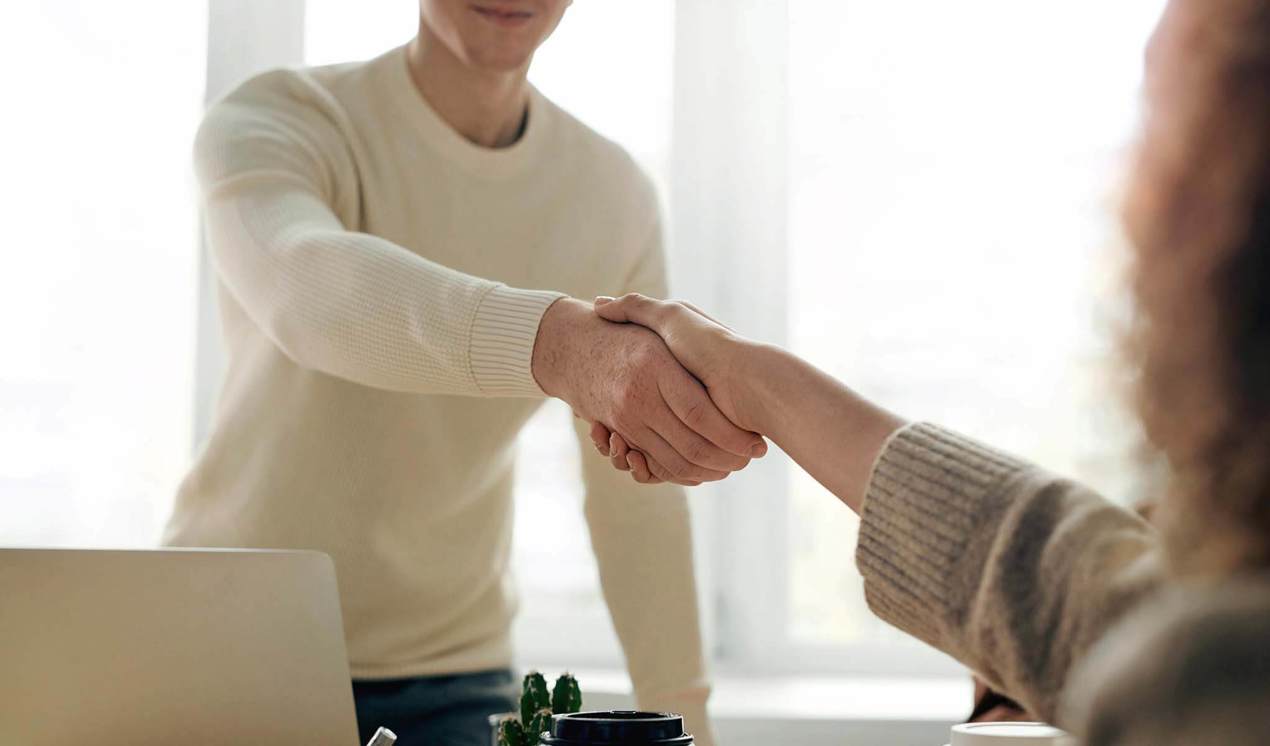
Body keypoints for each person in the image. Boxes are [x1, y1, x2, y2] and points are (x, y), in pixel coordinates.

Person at [588, 0, 1270, 741]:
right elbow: (1085, 597)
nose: (1127, 195)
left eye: (1162, 135)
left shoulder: (1212, 680)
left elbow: (1107, 620)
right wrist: (761, 385)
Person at [164, 1, 765, 743]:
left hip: (454, 679)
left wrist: (690, 724)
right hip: (223, 650)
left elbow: (634, 500)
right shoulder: (279, 117)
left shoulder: (612, 195)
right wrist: (556, 346)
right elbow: (305, 288)